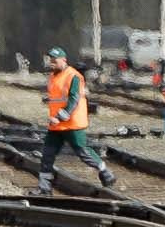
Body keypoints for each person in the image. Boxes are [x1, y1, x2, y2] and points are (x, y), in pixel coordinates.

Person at [38, 46, 117, 195]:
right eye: (51, 60)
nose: (52, 63)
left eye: (54, 60)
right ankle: (44, 188)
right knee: (47, 154)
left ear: (64, 60)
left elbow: (74, 99)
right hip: (56, 125)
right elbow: (58, 97)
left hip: (72, 123)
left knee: (83, 152)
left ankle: (105, 171)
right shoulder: (53, 76)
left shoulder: (74, 76)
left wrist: (60, 116)